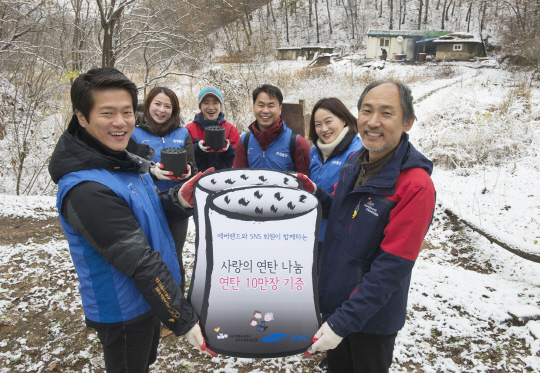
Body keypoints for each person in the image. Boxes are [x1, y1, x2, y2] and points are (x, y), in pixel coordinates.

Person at [48, 67, 215, 373]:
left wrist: (178, 200)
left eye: (126, 112)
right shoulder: (86, 189)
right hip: (123, 309)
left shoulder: (120, 162)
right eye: (107, 113)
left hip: (146, 299)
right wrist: (182, 317)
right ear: (82, 118)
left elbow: (144, 212)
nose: (120, 122)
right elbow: (138, 260)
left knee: (145, 362)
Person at [300, 81, 436, 373]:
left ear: (407, 122)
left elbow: (392, 268)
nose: (373, 122)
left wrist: (342, 323)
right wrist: (314, 192)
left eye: (386, 113)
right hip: (336, 303)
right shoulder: (354, 163)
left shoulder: (415, 186)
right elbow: (341, 214)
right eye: (367, 111)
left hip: (371, 318)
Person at [131, 86, 195, 293]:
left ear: (174, 110)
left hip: (176, 206)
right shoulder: (134, 132)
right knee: (147, 255)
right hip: (145, 203)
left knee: (173, 254)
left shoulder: (182, 133)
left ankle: (177, 300)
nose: (162, 110)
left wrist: (188, 172)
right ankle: (151, 300)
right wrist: (151, 171)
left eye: (168, 106)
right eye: (157, 104)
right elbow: (128, 167)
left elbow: (193, 166)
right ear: (149, 104)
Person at [308, 97, 362, 267]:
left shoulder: (357, 154)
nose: (324, 129)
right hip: (311, 233)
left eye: (328, 121)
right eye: (318, 124)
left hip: (337, 238)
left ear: (344, 119)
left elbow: (345, 203)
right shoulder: (315, 152)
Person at [233, 84, 310, 174]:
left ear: (280, 109)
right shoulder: (244, 142)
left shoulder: (297, 143)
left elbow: (306, 183)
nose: (265, 111)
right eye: (261, 105)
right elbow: (238, 178)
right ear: (253, 107)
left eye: (271, 106)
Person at [185, 87, 240, 172]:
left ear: (220, 106)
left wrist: (228, 149)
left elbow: (238, 161)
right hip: (198, 181)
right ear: (200, 106)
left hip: (224, 181)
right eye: (206, 103)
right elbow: (186, 162)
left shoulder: (230, 129)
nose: (211, 107)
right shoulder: (189, 130)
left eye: (215, 103)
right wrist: (198, 149)